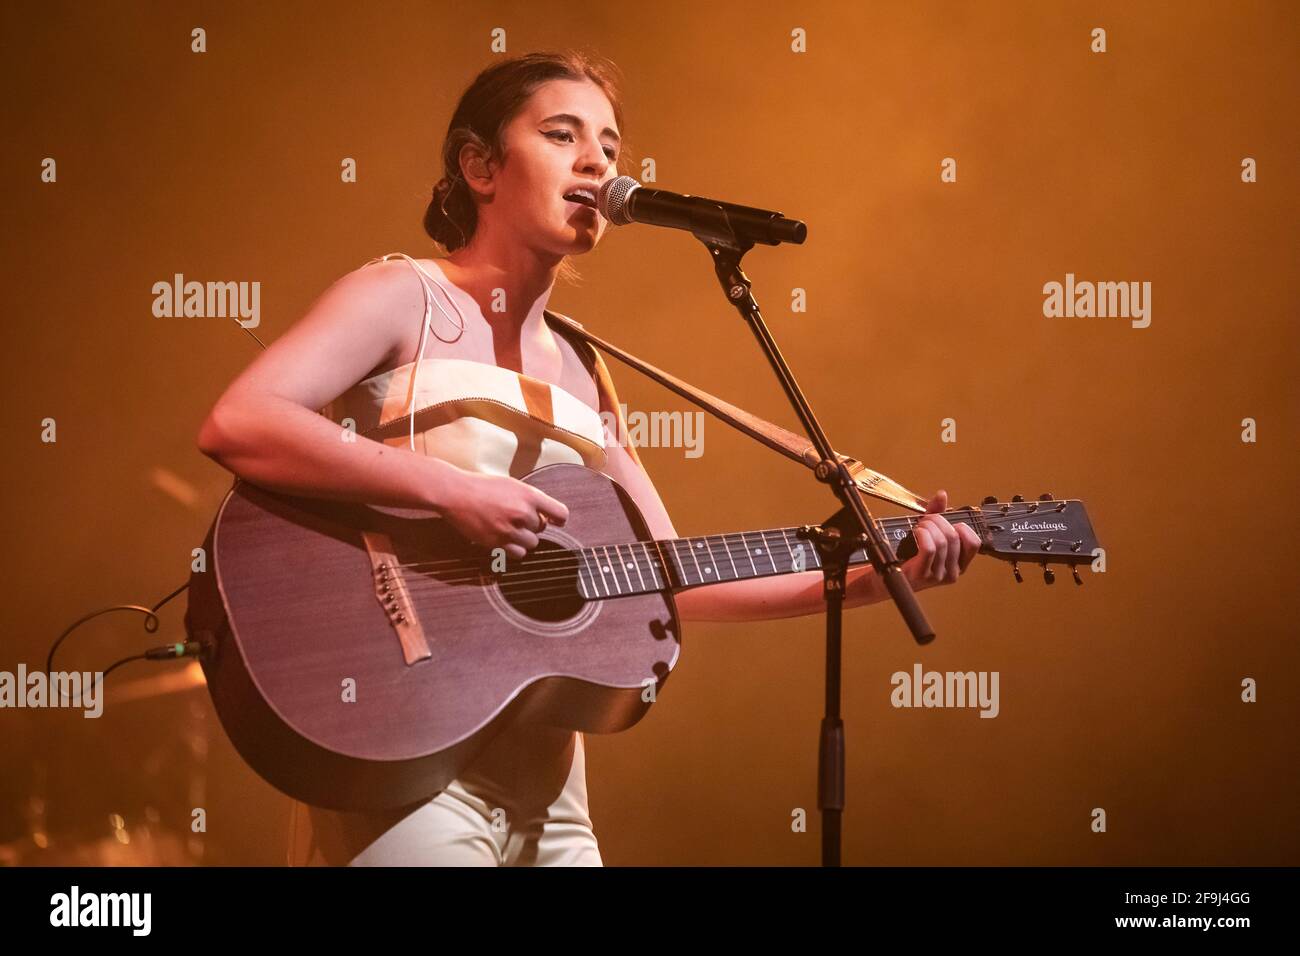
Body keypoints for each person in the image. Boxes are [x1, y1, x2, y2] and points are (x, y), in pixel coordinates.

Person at [195, 51, 981, 867]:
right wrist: (448, 489)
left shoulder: (585, 367)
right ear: (479, 166)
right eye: (561, 134)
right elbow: (241, 419)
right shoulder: (404, 297)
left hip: (554, 795)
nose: (597, 162)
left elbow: (670, 576)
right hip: (402, 754)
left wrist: (888, 576)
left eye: (609, 145)